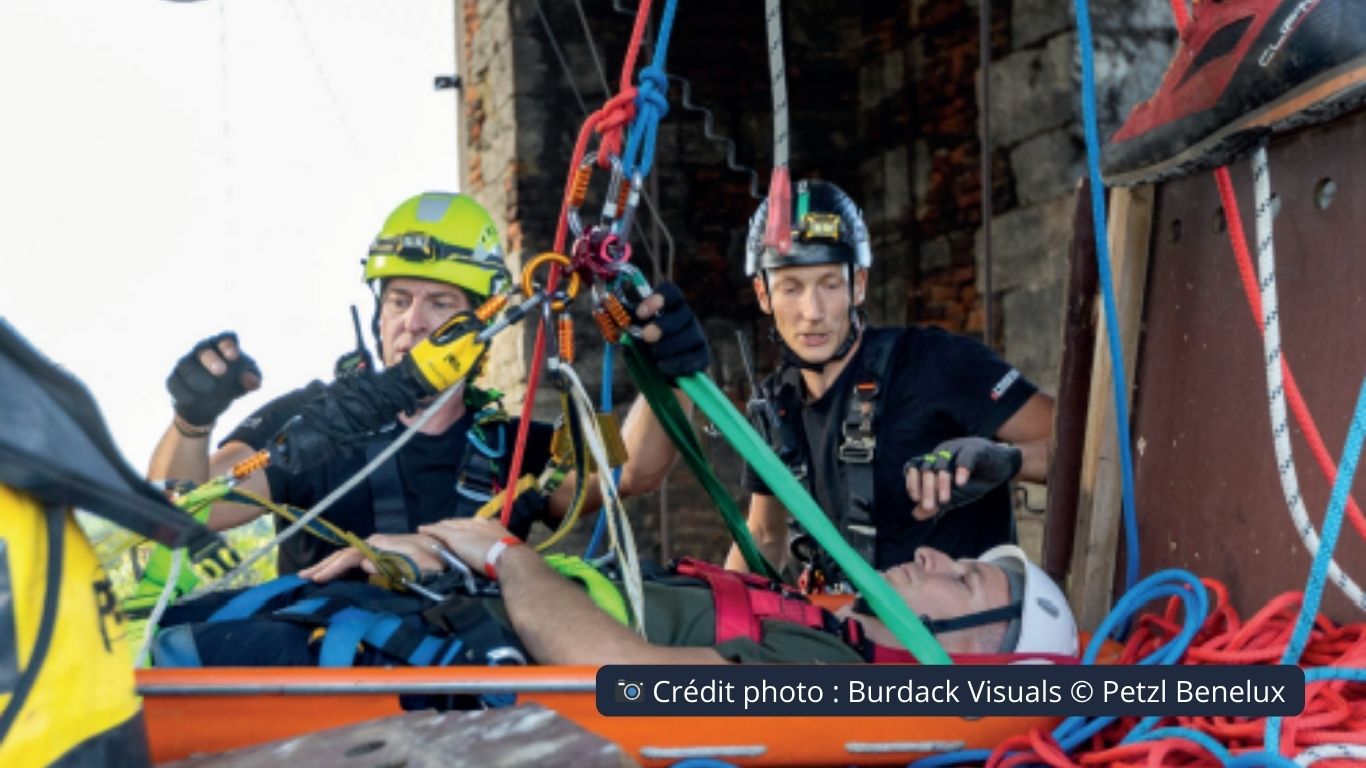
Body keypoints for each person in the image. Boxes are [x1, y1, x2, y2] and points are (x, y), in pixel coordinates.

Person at [146, 192, 700, 575]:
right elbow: (180, 511)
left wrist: (670, 369)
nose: (413, 322)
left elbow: (635, 471)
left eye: (440, 303)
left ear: (483, 321)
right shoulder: (310, 422)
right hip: (333, 692)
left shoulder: (512, 447)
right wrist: (191, 424)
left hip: (473, 699)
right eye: (398, 300)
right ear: (377, 313)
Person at [152, 517, 1078, 667]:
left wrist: (503, 552)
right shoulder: (822, 618)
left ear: (973, 658)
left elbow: (615, 671)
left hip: (427, 658)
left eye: (967, 580)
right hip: (415, 618)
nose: (935, 556)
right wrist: (438, 557)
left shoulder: (830, 679)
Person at [723, 178, 1055, 586]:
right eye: (791, 288)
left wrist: (1008, 458)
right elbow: (764, 534)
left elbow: (1085, 449)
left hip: (956, 640)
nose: (812, 311)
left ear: (858, 284)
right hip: (851, 638)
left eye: (830, 284)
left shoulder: (936, 363)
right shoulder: (775, 407)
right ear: (763, 294)